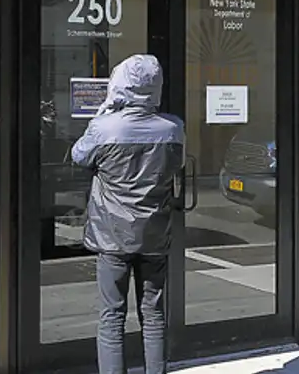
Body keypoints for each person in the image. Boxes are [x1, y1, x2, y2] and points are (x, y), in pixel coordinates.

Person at [72, 55, 184, 374]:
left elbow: (79, 155)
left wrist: (104, 111)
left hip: (112, 235)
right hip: (155, 234)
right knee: (154, 314)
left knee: (112, 316)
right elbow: (176, 165)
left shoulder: (104, 127)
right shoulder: (174, 128)